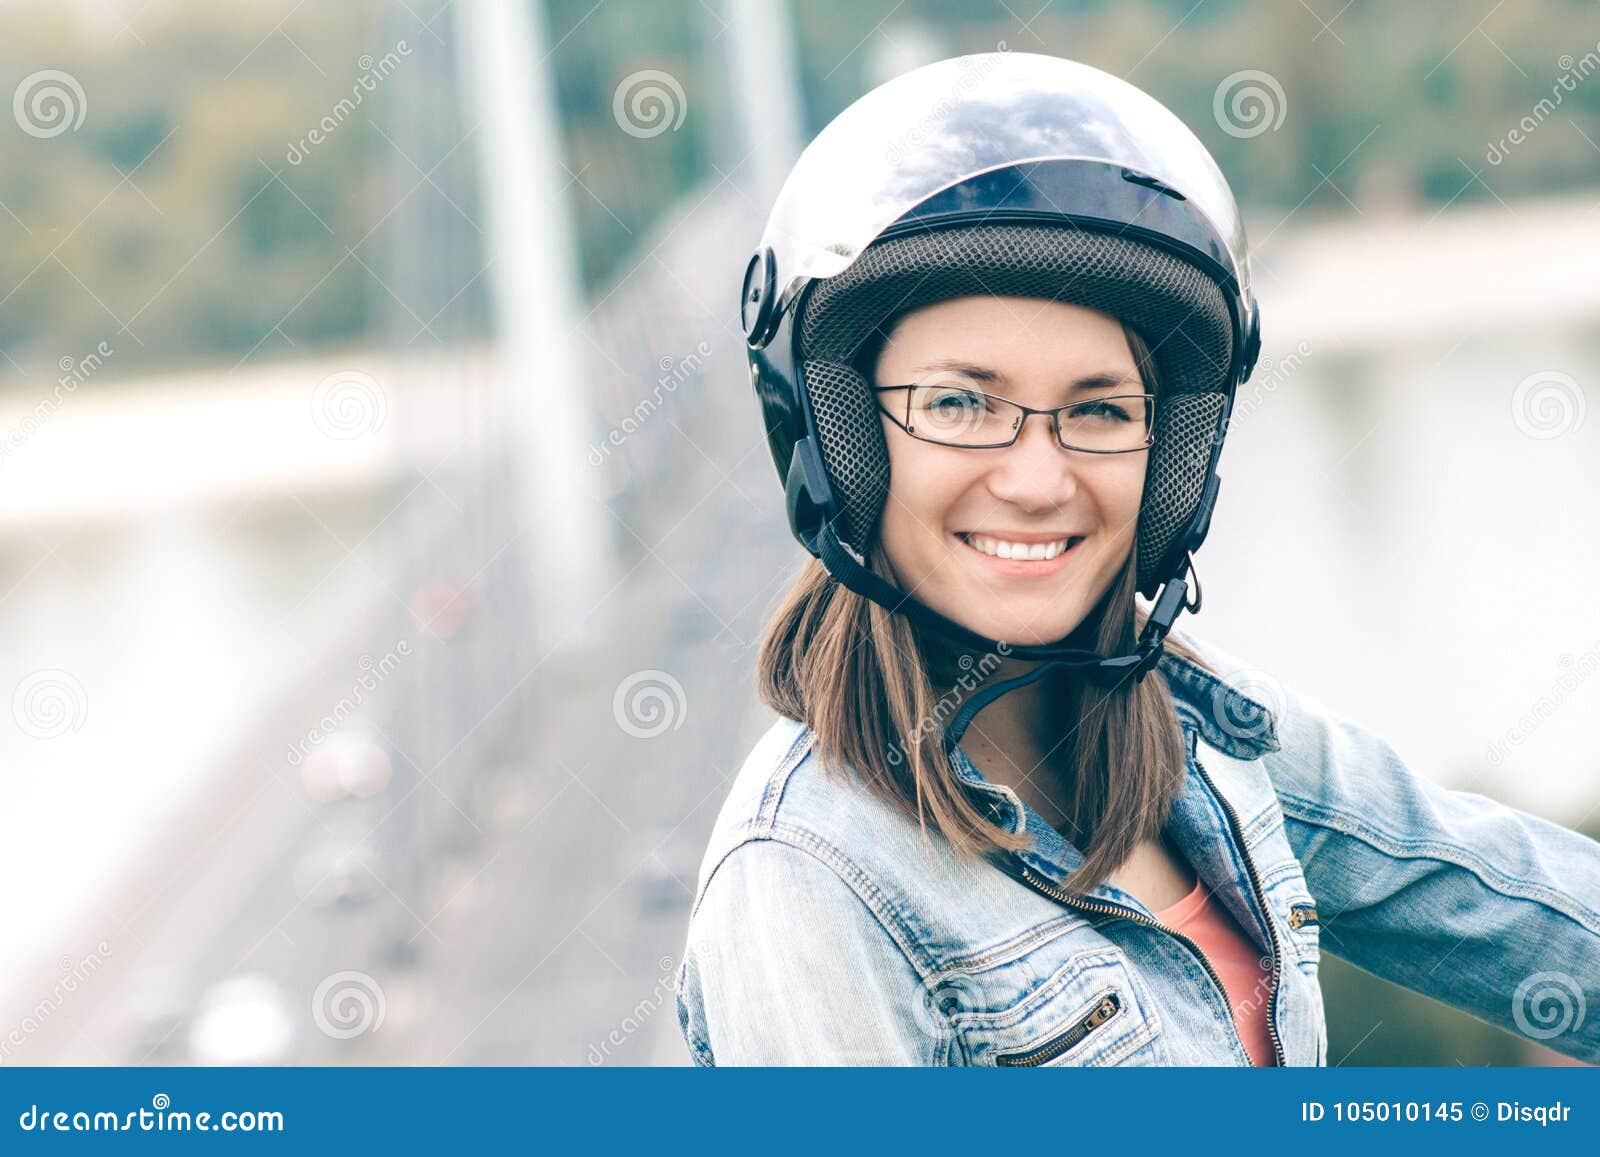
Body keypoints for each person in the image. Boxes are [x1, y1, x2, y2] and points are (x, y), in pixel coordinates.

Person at [674, 51, 1600, 1066]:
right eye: (958, 402)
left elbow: (1494, 896)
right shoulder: (811, 875)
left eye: (1099, 409)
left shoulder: (1201, 726)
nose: (1035, 476)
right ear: (841, 439)